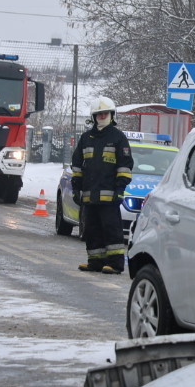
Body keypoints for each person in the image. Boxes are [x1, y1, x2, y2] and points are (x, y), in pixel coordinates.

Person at [70, 96, 133, 274]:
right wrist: (76, 188)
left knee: (111, 230)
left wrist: (120, 189)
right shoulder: (86, 138)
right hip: (90, 195)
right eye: (99, 114)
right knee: (92, 230)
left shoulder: (118, 138)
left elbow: (125, 166)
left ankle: (115, 264)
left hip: (110, 196)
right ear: (94, 116)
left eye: (105, 113)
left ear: (111, 115)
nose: (102, 116)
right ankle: (95, 262)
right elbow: (77, 165)